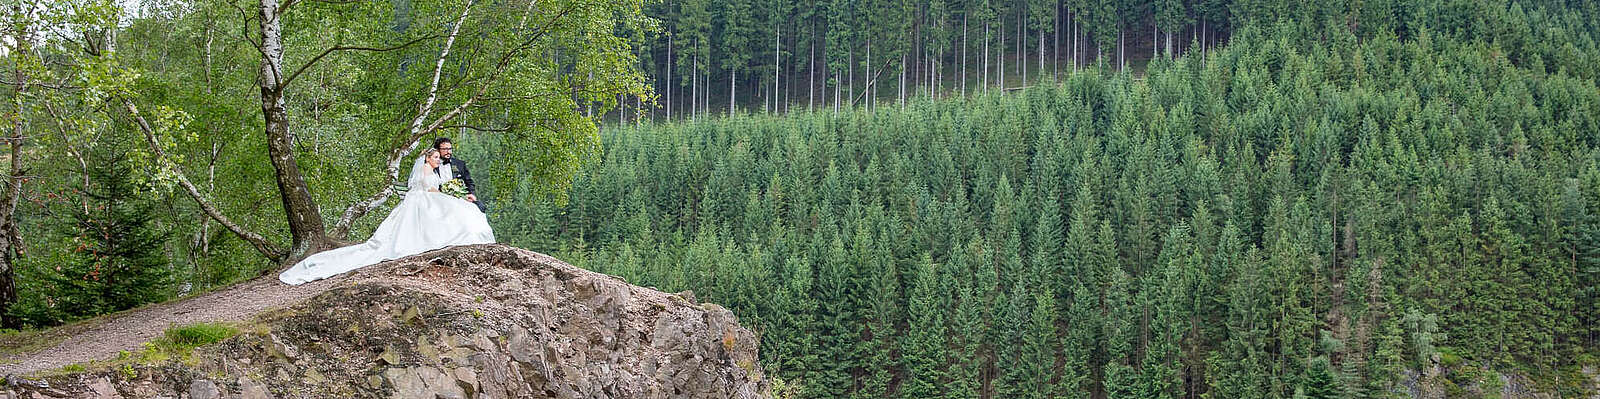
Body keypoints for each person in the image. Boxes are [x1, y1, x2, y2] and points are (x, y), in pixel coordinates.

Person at [278, 148, 495, 285]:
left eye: (439, 157)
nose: (438, 160)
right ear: (428, 159)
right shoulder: (427, 172)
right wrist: (453, 197)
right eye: (436, 157)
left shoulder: (427, 170)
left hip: (421, 199)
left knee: (452, 211)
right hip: (425, 199)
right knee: (455, 211)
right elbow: (430, 191)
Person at [433, 137, 486, 213]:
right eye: (445, 149)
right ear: (438, 150)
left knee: (479, 207)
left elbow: (469, 182)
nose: (448, 152)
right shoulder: (432, 164)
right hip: (440, 200)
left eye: (450, 149)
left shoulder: (459, 164)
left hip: (459, 198)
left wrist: (472, 194)